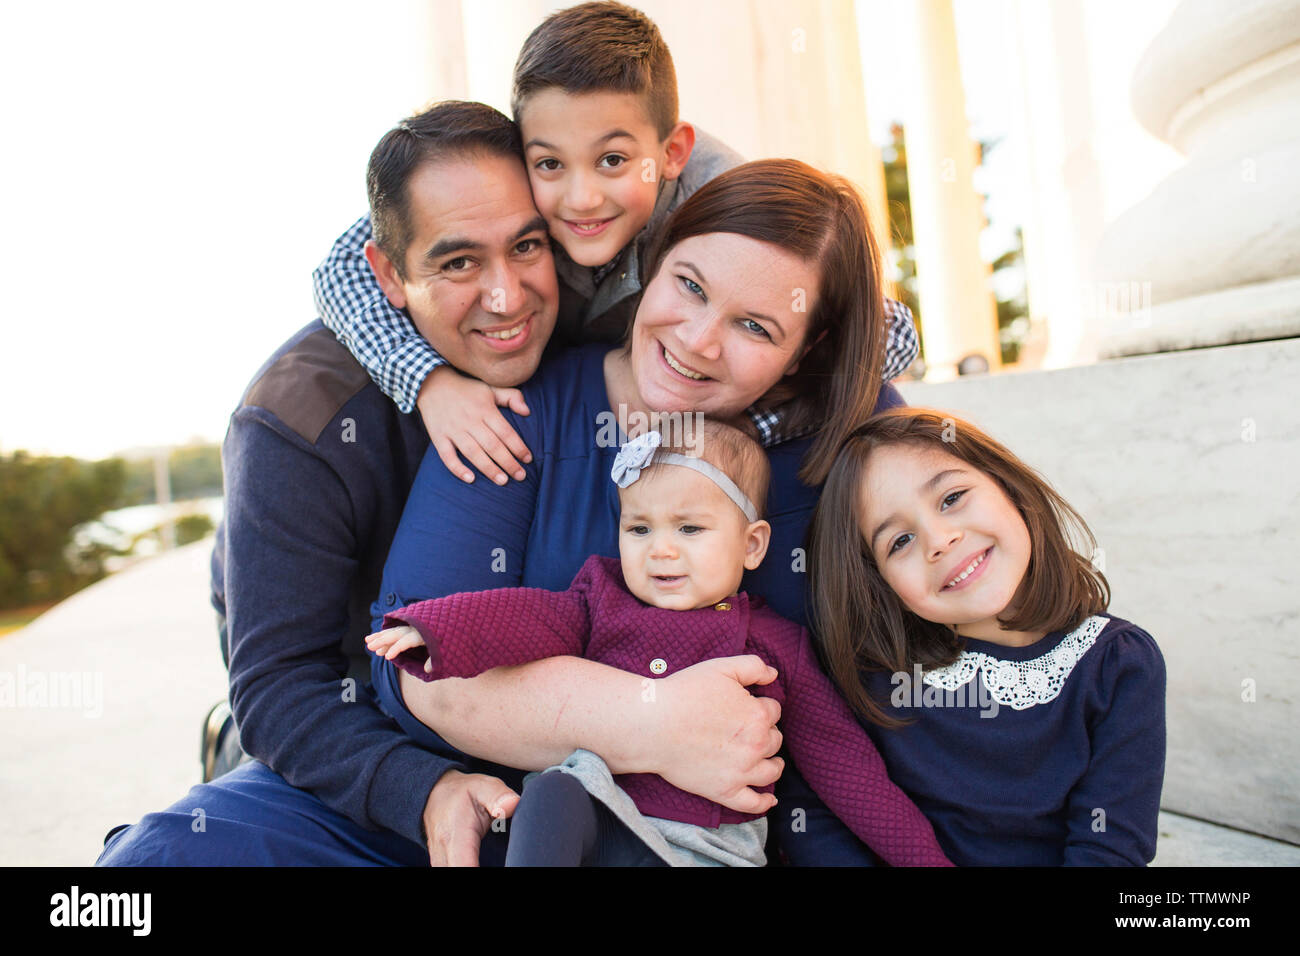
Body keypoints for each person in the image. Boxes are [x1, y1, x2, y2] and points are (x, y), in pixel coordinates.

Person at [96, 101, 788, 867]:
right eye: (458, 263)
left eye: (526, 246)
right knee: (161, 860)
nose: (506, 297)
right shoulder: (297, 422)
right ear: (389, 275)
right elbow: (280, 688)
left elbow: (727, 212)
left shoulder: (587, 325)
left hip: (578, 765)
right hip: (362, 751)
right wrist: (421, 787)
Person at [370, 156, 908, 866]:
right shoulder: (516, 415)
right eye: (688, 285)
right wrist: (654, 722)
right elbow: (418, 668)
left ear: (806, 350)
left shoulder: (846, 444)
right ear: (652, 261)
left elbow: (871, 719)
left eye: (755, 326)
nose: (696, 340)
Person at [312, 0, 919, 487]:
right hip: (560, 419)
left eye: (611, 160)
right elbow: (342, 266)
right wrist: (428, 383)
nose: (580, 198)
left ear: (671, 154)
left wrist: (735, 422)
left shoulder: (715, 196)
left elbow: (889, 332)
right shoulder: (508, 166)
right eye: (549, 163)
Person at [368, 421, 951, 866]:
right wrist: (433, 629)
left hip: (705, 847)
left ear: (752, 546)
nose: (661, 550)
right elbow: (523, 618)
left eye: (690, 529)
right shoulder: (600, 599)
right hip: (605, 823)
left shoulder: (774, 645)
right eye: (639, 528)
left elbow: (844, 765)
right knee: (550, 794)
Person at [804, 408, 1167, 865]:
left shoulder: (1119, 665)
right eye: (898, 542)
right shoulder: (876, 682)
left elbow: (1111, 848)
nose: (939, 539)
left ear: (1009, 488)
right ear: (883, 586)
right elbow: (824, 819)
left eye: (952, 497)